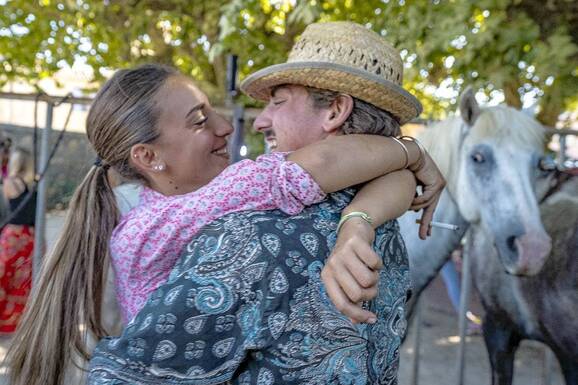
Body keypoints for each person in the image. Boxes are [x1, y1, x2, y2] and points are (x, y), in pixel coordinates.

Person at [7, 33, 444, 385]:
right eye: (199, 120)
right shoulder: (178, 223)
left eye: (277, 100)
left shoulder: (258, 231)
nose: (233, 125)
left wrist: (366, 212)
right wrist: (409, 152)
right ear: (149, 158)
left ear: (335, 110)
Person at [0, 146, 36, 333]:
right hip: (25, 236)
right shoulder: (29, 184)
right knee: (18, 280)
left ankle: (9, 321)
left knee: (11, 278)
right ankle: (12, 322)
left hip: (17, 236)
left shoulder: (13, 183)